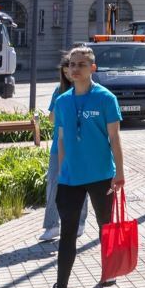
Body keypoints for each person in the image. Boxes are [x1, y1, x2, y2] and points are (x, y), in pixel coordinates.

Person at [37, 45, 126, 288]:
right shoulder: (63, 101)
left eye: (81, 65)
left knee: (105, 226)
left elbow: (115, 137)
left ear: (93, 69)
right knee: (67, 233)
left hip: (101, 175)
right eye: (72, 65)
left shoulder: (106, 98)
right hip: (71, 178)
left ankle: (109, 272)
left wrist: (119, 172)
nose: (75, 69)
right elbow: (62, 139)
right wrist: (63, 172)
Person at [39, 57, 85, 242]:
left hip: (79, 146)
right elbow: (51, 118)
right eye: (66, 73)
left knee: (80, 183)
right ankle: (52, 225)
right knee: (53, 182)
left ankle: (80, 222)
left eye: (72, 71)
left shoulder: (85, 92)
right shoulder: (59, 91)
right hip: (58, 145)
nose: (70, 75)